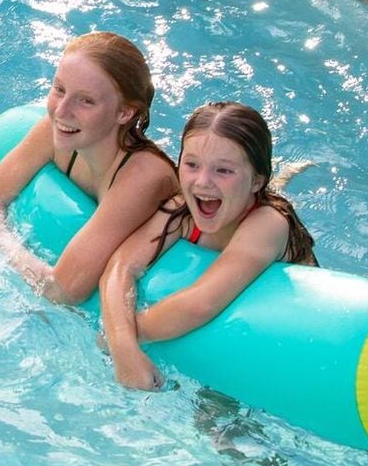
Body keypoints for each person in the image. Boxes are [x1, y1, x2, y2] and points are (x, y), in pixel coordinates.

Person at [98, 101, 317, 390]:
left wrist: (119, 341)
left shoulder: (267, 224)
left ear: (256, 181)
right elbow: (122, 265)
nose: (202, 182)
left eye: (223, 170)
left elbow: (200, 304)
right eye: (191, 165)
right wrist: (123, 346)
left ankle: (280, 179)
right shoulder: (182, 209)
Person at [0, 31, 178, 304]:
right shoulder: (56, 130)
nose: (62, 111)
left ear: (124, 113)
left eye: (85, 100)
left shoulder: (143, 178)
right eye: (59, 90)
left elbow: (63, 291)